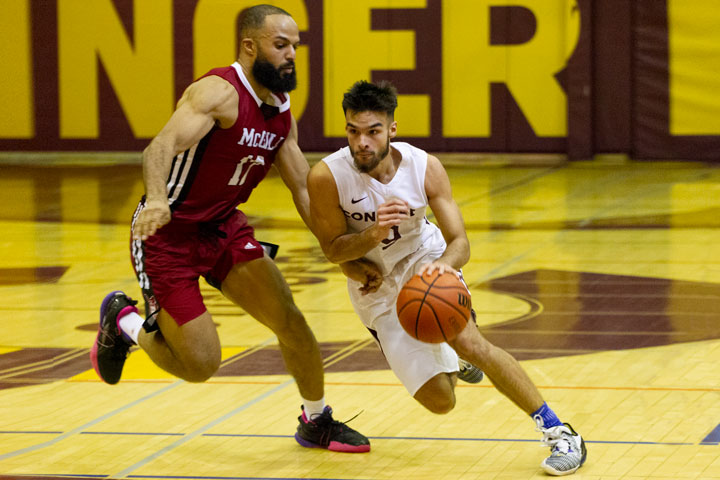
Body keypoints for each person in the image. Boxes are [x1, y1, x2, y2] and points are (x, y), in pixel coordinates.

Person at [90, 4, 369, 454]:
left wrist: (339, 251)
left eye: (295, 46)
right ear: (249, 46)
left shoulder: (280, 111)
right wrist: (158, 199)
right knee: (201, 365)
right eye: (281, 45)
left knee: (292, 321)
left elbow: (303, 188)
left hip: (224, 229)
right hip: (168, 237)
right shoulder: (217, 93)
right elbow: (159, 148)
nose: (291, 55)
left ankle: (315, 420)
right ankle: (124, 322)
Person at [306, 80, 587, 474]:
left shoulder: (424, 167)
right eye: (353, 131)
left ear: (392, 130)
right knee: (441, 402)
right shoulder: (326, 176)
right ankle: (450, 360)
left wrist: (444, 265)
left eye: (372, 131)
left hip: (426, 257)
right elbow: (332, 249)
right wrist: (371, 236)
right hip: (376, 283)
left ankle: (560, 432)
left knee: (471, 342)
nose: (362, 142)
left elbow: (460, 242)